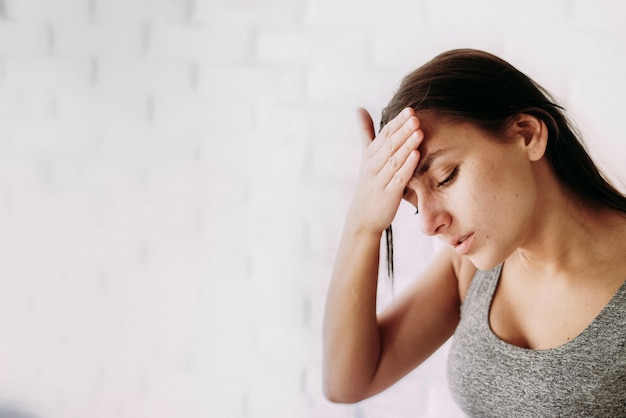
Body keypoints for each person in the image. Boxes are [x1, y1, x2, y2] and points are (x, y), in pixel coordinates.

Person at [322, 49, 626, 416]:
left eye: (445, 177)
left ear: (527, 134)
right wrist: (363, 224)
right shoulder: (470, 269)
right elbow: (348, 382)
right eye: (413, 200)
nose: (428, 223)